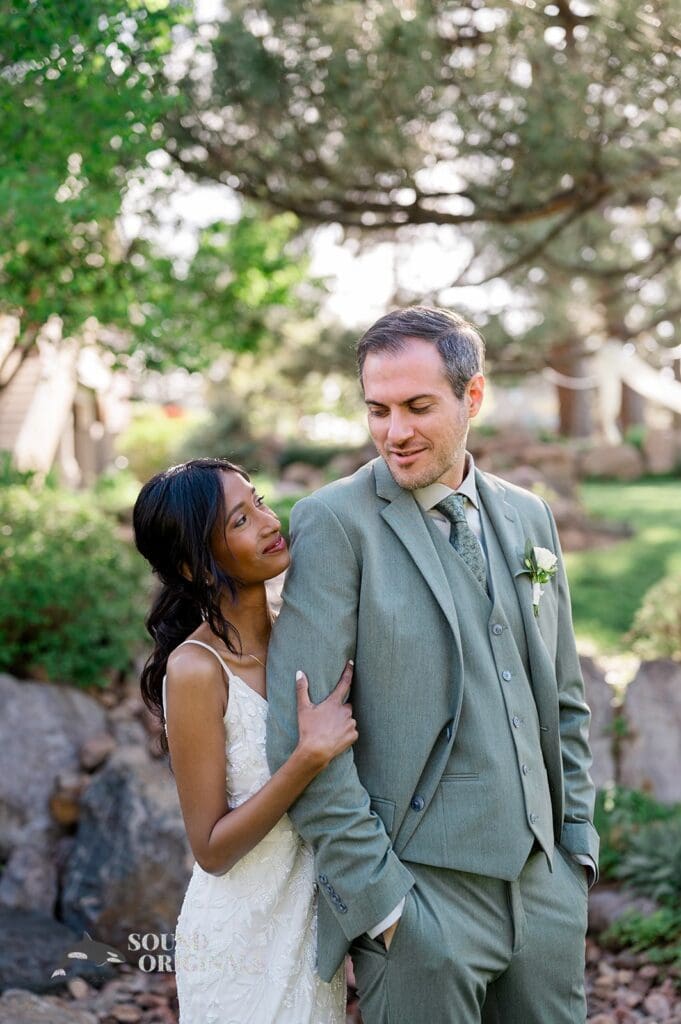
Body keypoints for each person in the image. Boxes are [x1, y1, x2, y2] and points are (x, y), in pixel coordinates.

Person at [266, 307, 599, 1023]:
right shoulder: (335, 522)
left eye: (417, 407)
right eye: (377, 410)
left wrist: (576, 852)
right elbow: (298, 734)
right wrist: (384, 906)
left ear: (471, 397)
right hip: (420, 902)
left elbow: (565, 703)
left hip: (544, 896)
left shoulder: (529, 517)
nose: (394, 431)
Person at [132, 457, 355, 1024]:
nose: (267, 519)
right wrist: (306, 759)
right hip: (240, 947)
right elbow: (211, 848)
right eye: (239, 520)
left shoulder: (303, 635)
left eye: (257, 500)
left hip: (310, 938)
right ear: (195, 565)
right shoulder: (196, 670)